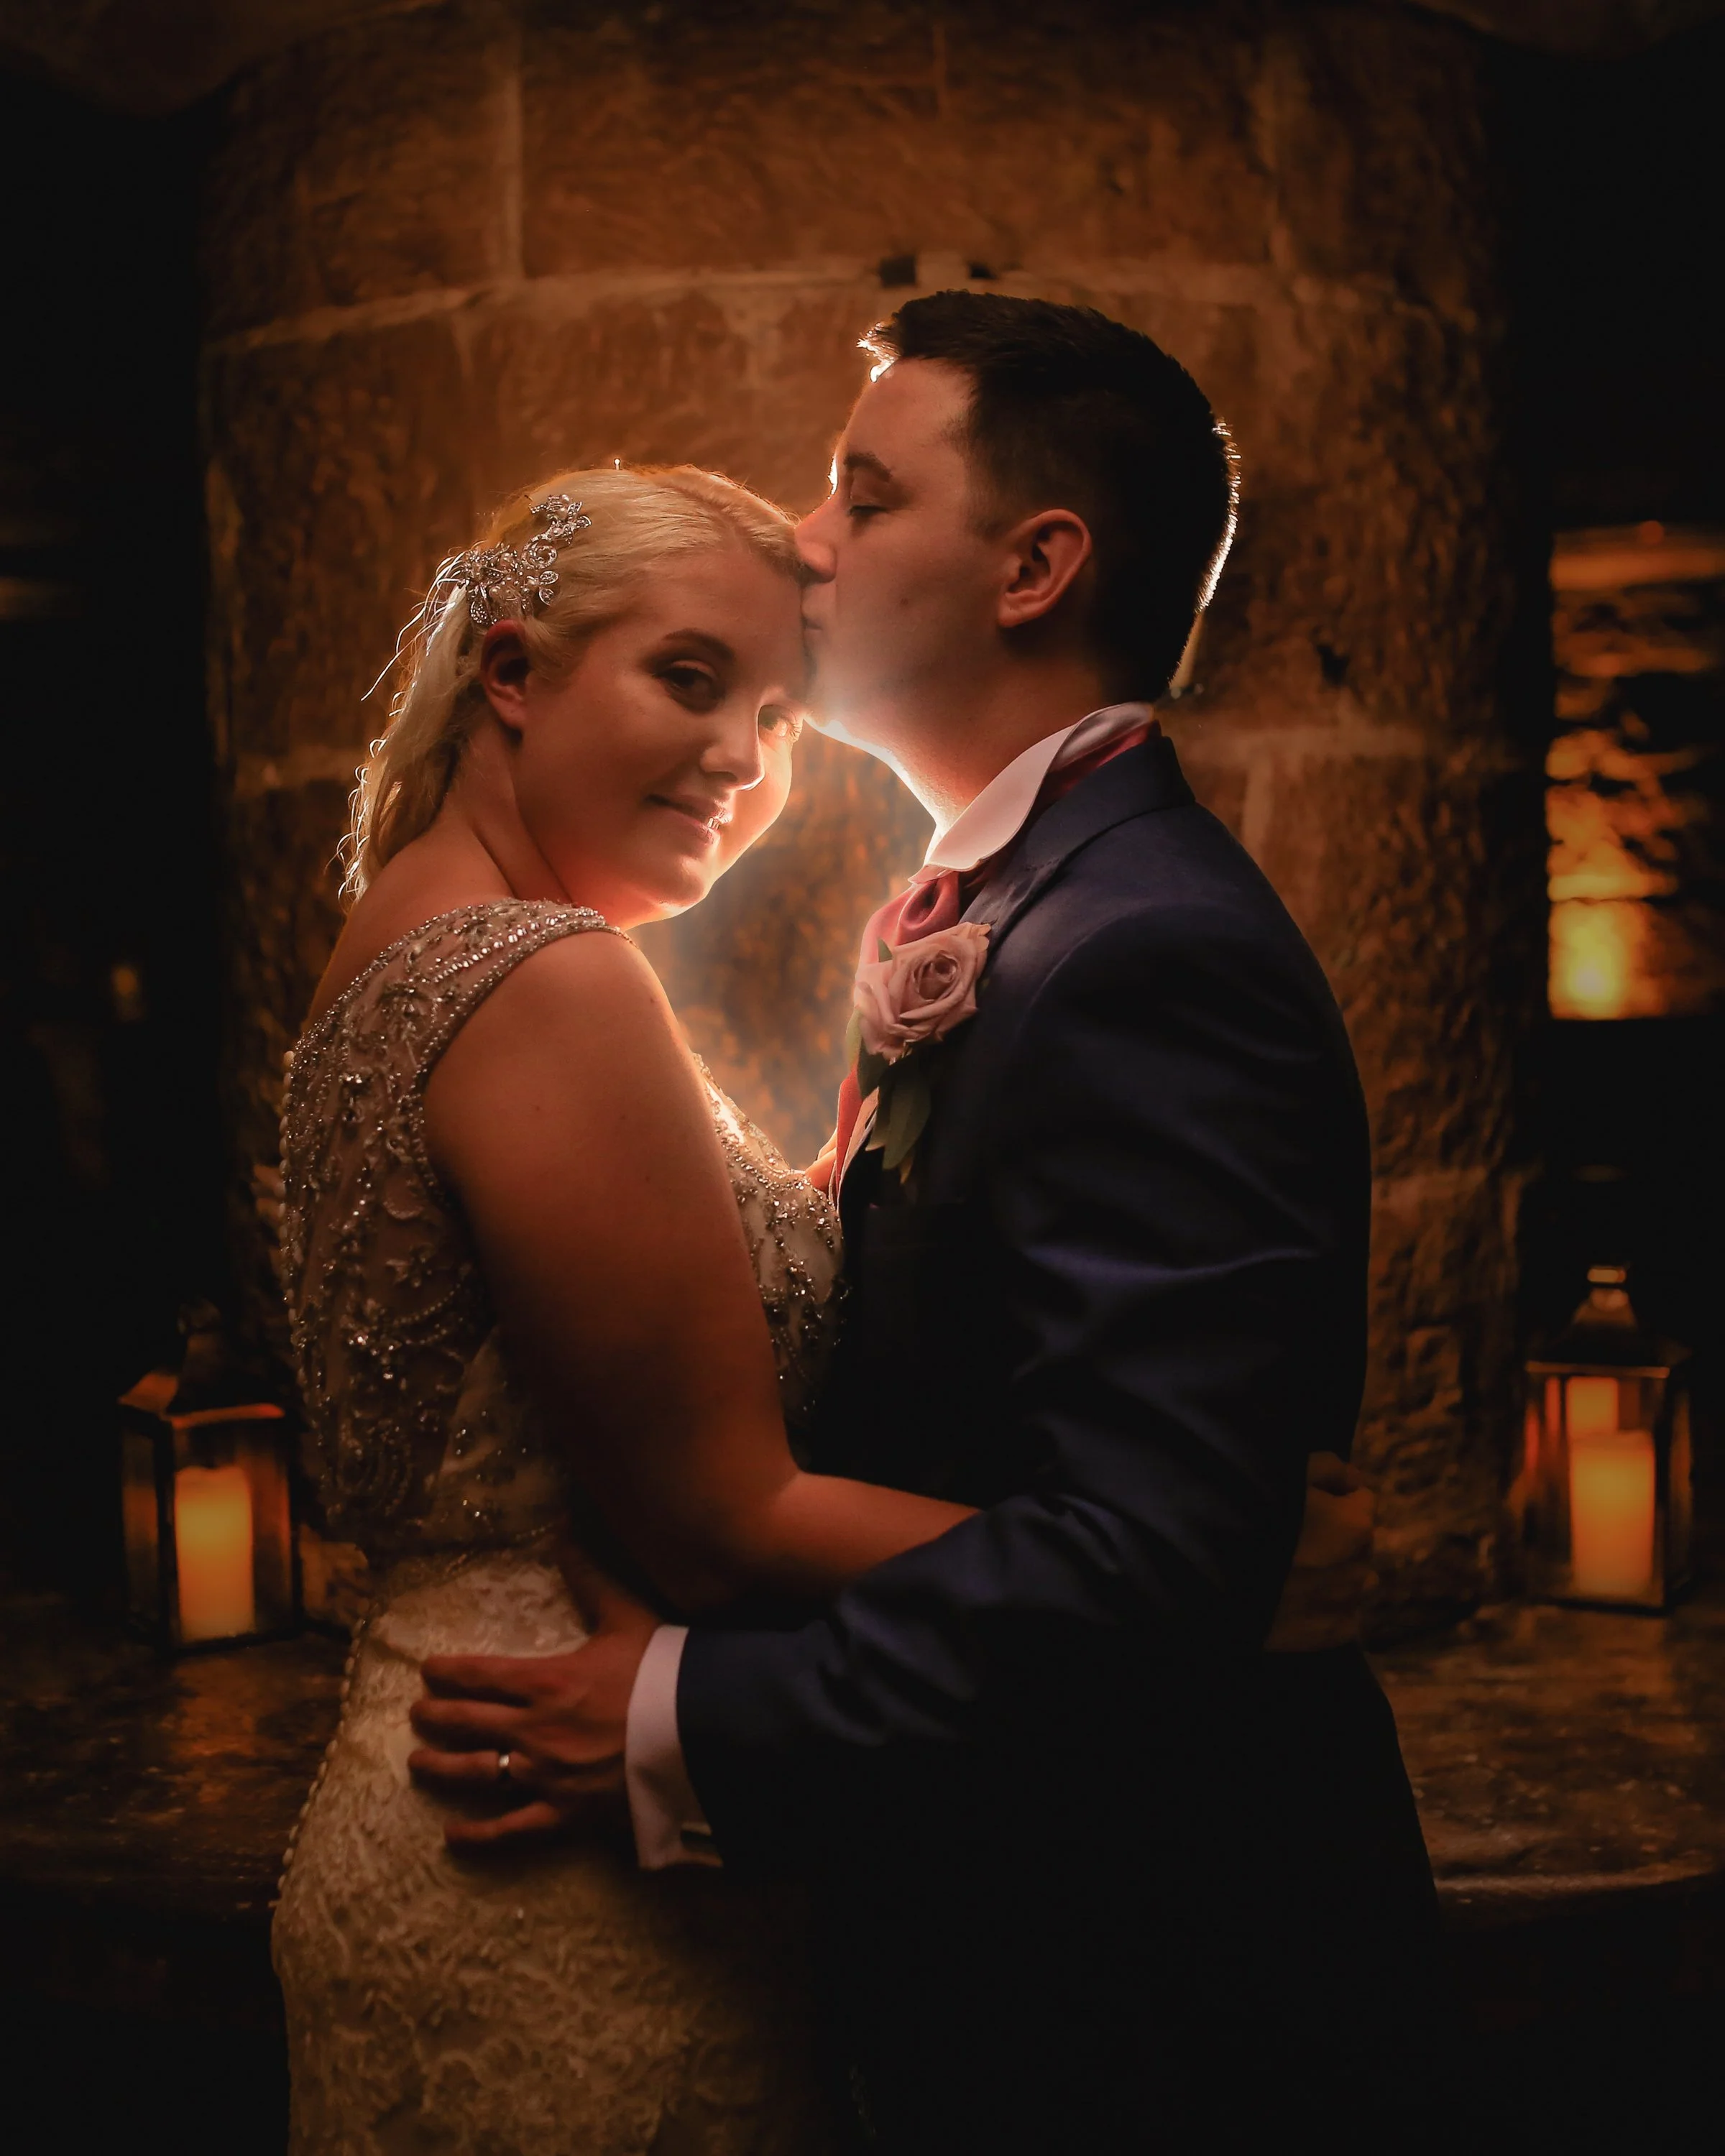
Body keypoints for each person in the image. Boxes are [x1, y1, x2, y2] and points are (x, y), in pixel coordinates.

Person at [408, 296, 1445, 2152]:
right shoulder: (1027, 902)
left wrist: (685, 1718)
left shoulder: (1145, 947)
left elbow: (1136, 1571)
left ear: (1037, 564)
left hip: (1153, 2005)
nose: (809, 540)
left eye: (863, 493)